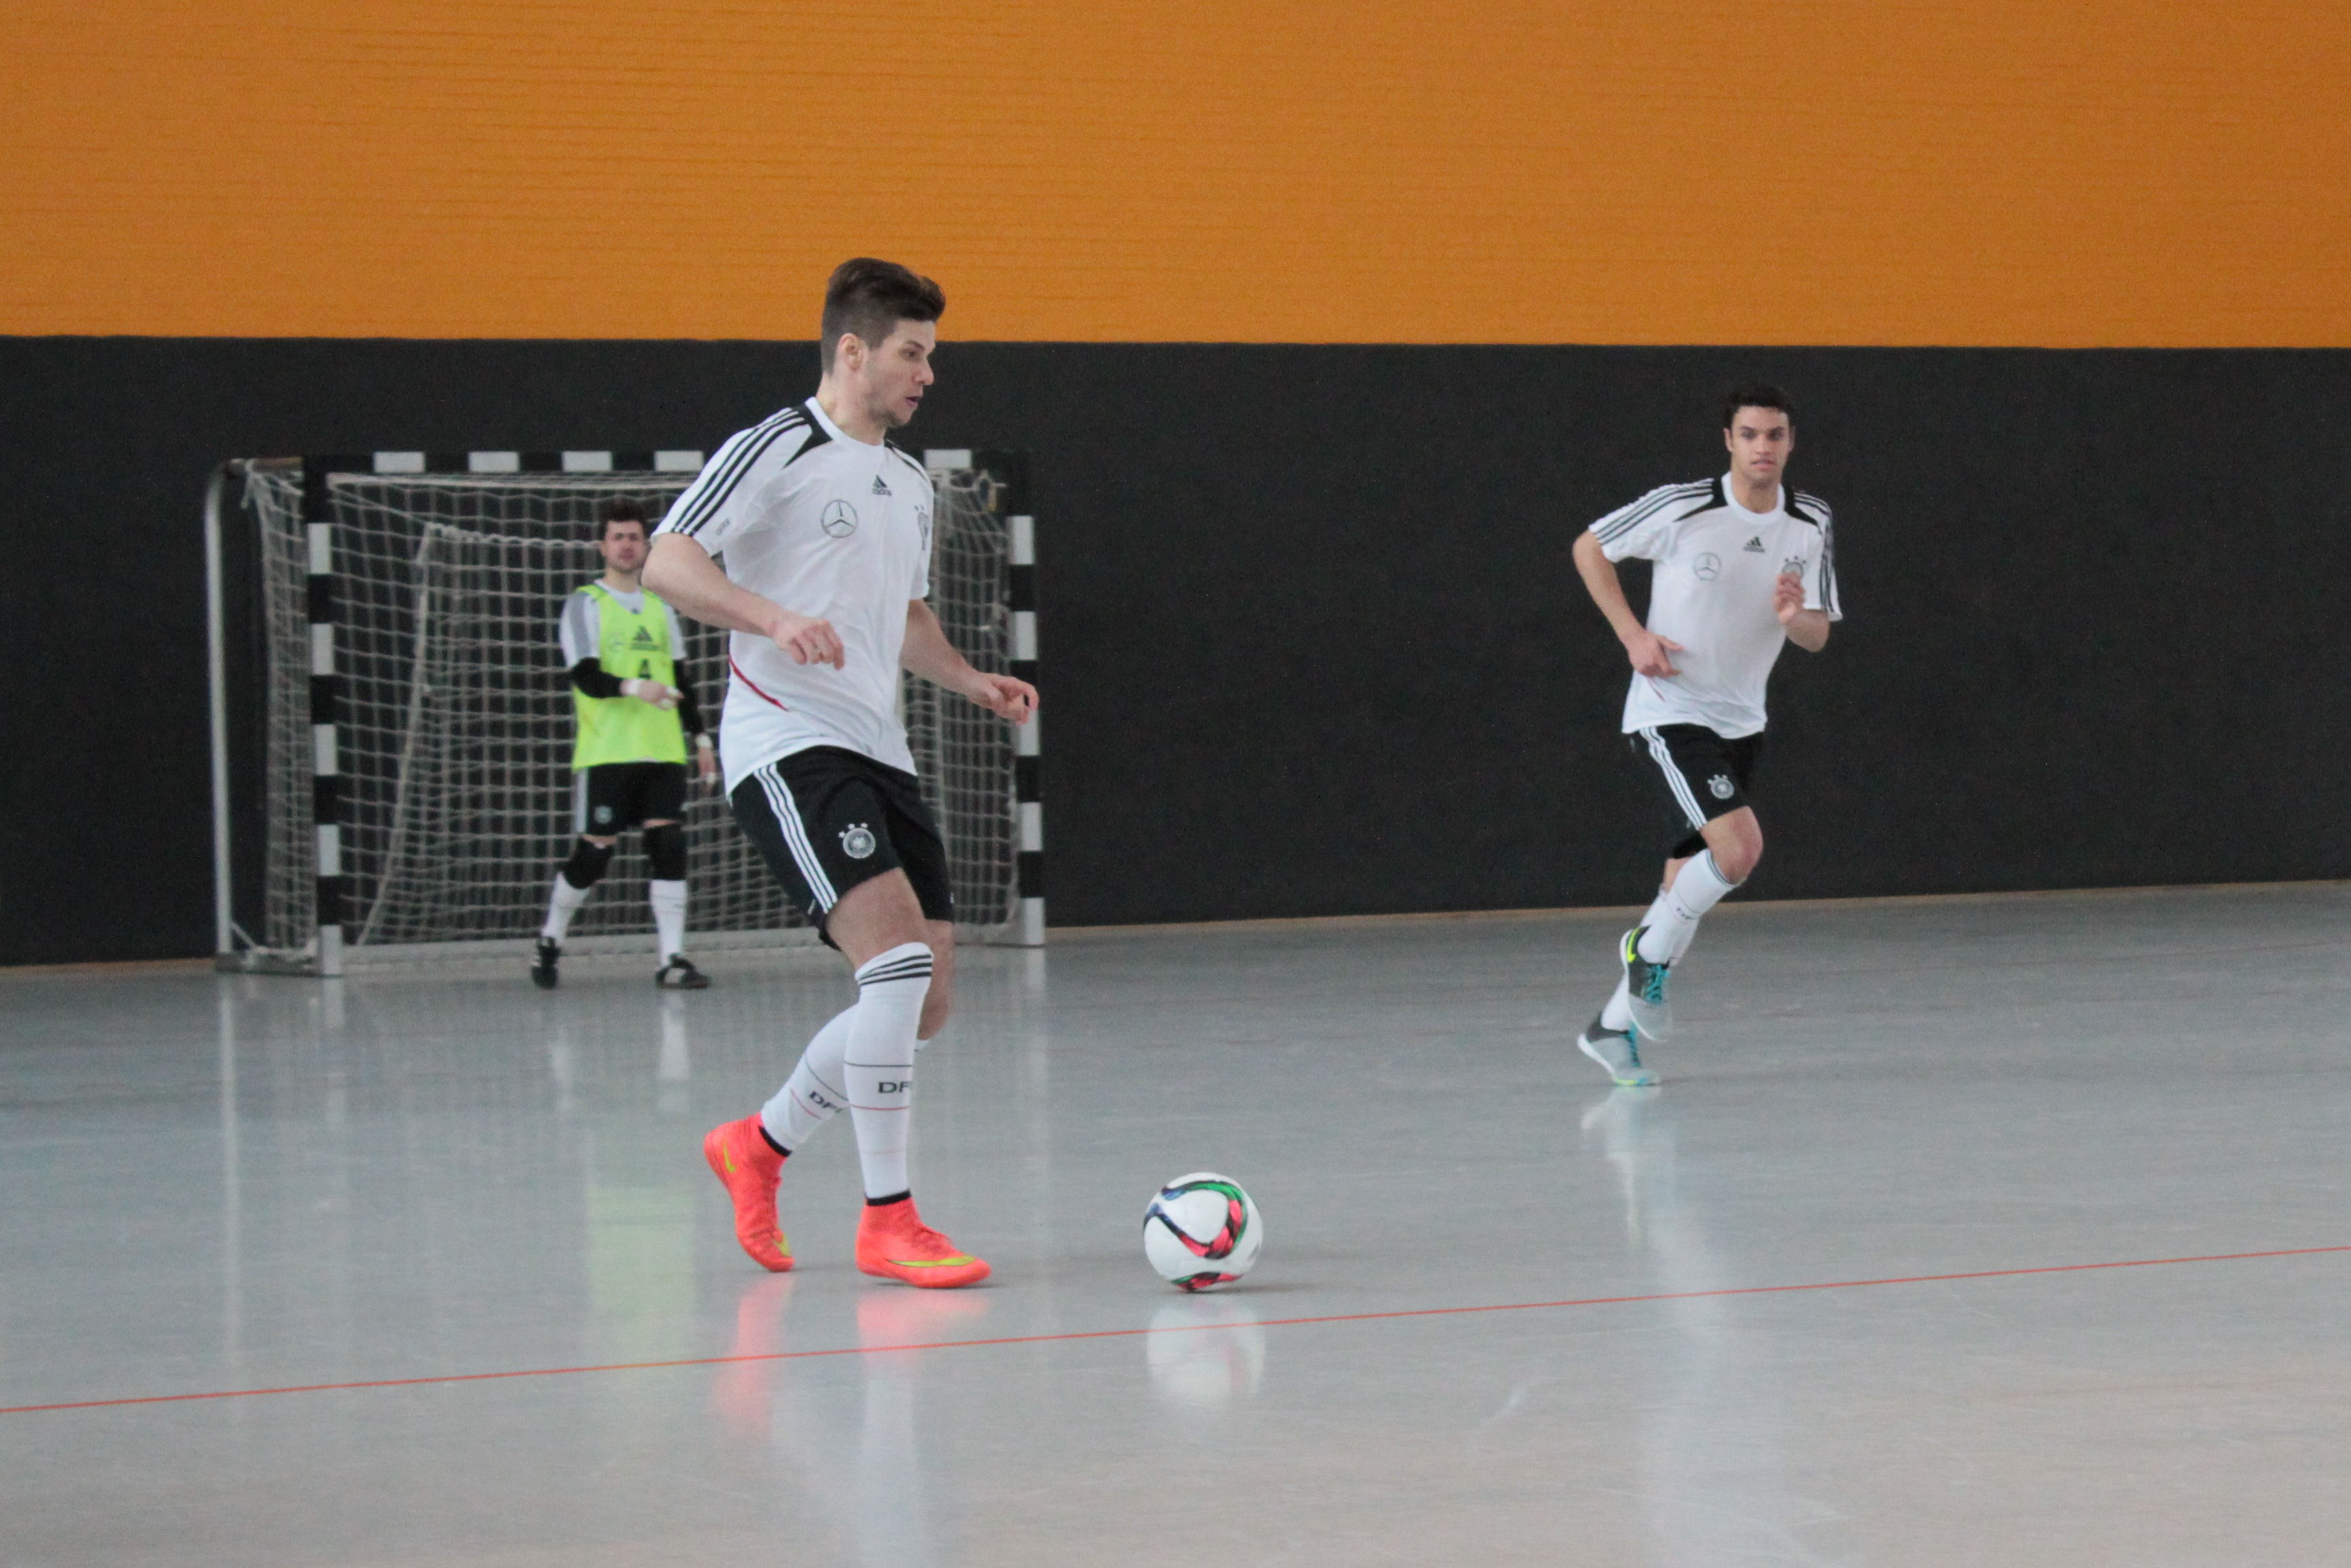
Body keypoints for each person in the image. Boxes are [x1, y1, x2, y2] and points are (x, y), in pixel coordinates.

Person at [645, 258, 1037, 1289]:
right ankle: (888, 1220)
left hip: (877, 747)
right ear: (853, 351)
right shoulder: (777, 445)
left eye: (932, 357)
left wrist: (970, 679)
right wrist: (773, 617)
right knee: (894, 967)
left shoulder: (910, 483)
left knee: (925, 1000)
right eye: (912, 354)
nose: (928, 375)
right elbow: (669, 561)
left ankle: (758, 1144)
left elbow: (902, 613)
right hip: (786, 741)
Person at [1568, 384, 1841, 1086]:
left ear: (1791, 442)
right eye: (1749, 434)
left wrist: (1795, 619)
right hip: (1671, 709)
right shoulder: (1683, 505)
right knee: (1739, 850)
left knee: (1681, 889)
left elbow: (1817, 634)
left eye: (1774, 435)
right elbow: (1590, 548)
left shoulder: (1810, 521)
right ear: (1729, 441)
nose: (1762, 447)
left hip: (1743, 722)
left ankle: (1611, 1027)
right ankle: (1643, 953)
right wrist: (1633, 636)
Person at [533, 499, 719, 990]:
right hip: (608, 753)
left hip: (662, 751)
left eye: (635, 536)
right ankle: (550, 939)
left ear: (646, 545)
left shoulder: (660, 607)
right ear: (603, 546)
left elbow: (680, 679)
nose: (627, 545)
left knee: (669, 845)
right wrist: (636, 688)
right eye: (618, 536)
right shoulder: (585, 604)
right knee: (594, 855)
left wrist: (701, 738)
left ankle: (672, 958)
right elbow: (585, 676)